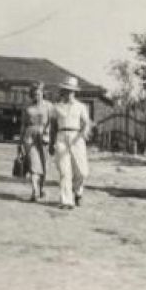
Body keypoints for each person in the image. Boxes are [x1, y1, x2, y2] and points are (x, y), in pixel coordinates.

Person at [49, 76, 91, 210]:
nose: (68, 93)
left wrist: (83, 133)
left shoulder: (81, 107)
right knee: (64, 171)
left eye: (71, 91)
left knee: (82, 171)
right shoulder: (57, 107)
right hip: (61, 137)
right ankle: (66, 200)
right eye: (66, 90)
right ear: (63, 91)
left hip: (77, 137)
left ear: (75, 92)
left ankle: (78, 192)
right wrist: (51, 143)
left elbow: (86, 123)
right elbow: (53, 126)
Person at [17, 82, 53, 202]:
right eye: (34, 94)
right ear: (31, 95)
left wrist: (48, 134)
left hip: (44, 136)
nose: (37, 96)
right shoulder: (27, 108)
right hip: (30, 135)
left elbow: (52, 123)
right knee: (33, 164)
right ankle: (34, 191)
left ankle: (41, 188)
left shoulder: (49, 106)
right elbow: (23, 125)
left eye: (39, 94)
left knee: (44, 165)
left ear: (43, 94)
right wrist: (20, 142)